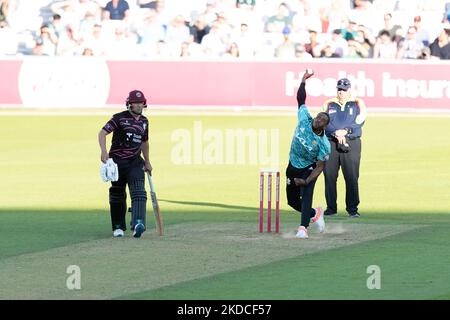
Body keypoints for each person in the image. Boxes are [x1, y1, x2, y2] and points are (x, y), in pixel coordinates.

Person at [98, 90, 153, 238]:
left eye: (141, 102)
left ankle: (138, 223)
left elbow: (144, 142)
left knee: (139, 192)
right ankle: (118, 227)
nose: (139, 105)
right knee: (117, 194)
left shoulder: (144, 121)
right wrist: (104, 152)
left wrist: (147, 161)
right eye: (135, 102)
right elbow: (102, 133)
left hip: (135, 162)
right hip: (117, 162)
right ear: (129, 104)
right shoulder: (119, 118)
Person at [286, 69, 331, 239]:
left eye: (322, 121)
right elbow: (300, 99)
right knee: (292, 202)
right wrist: (303, 80)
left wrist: (306, 180)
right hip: (292, 164)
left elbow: (320, 167)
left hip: (308, 168)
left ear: (324, 126)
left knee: (306, 195)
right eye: (318, 117)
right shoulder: (305, 117)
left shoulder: (324, 144)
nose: (318, 120)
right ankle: (315, 213)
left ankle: (303, 229)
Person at [322, 78, 367, 218]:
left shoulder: (358, 102)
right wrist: (335, 132)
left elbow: (360, 120)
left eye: (344, 89)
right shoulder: (329, 103)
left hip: (351, 142)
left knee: (351, 177)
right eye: (339, 89)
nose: (341, 92)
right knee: (329, 176)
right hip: (331, 142)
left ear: (349, 90)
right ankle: (331, 208)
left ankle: (352, 209)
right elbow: (323, 121)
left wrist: (345, 131)